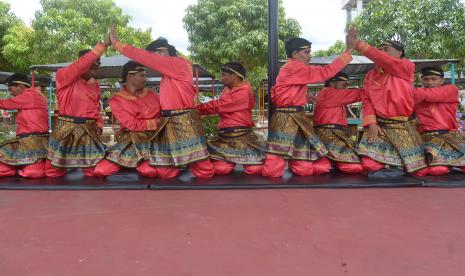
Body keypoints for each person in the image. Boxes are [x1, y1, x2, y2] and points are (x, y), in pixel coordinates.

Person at [109, 26, 213, 178]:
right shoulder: (168, 74)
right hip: (167, 123)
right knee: (166, 173)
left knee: (204, 171)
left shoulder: (178, 63)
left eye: (155, 54)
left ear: (164, 51)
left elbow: (146, 58)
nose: (154, 60)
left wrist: (117, 44)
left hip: (183, 120)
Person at [262, 28, 357, 177]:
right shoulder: (294, 66)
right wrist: (348, 51)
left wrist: (304, 97)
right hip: (286, 118)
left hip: (298, 117)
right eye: (306, 52)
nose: (309, 56)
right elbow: (324, 73)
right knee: (273, 170)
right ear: (294, 54)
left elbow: (281, 94)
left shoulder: (290, 69)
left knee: (308, 169)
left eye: (309, 52)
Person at [354, 30, 427, 176]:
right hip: (380, 126)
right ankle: (389, 167)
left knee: (419, 171)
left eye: (385, 49)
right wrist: (371, 123)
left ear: (399, 53)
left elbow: (386, 61)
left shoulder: (405, 66)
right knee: (369, 164)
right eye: (379, 49)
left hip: (402, 126)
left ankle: (393, 167)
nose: (380, 51)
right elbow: (367, 99)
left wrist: (359, 44)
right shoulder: (370, 75)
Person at [45, 36, 110, 177]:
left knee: (93, 173)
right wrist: (103, 46)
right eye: (92, 67)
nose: (95, 71)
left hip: (88, 130)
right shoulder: (63, 75)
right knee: (52, 173)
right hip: (65, 131)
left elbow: (95, 108)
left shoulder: (95, 84)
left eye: (97, 68)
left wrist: (99, 125)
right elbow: (81, 65)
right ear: (82, 63)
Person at [93, 61, 161, 177]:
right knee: (100, 170)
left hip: (154, 140)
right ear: (130, 76)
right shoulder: (116, 100)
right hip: (129, 141)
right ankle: (130, 163)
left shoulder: (154, 96)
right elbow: (132, 125)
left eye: (146, 75)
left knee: (150, 171)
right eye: (142, 75)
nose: (146, 79)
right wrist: (158, 121)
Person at [196, 62, 264, 175]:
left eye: (223, 75)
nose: (221, 78)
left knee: (254, 170)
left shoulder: (244, 92)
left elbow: (220, 105)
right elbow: (221, 108)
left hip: (243, 137)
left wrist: (196, 109)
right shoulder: (226, 90)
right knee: (221, 169)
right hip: (224, 137)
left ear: (234, 76)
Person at [413, 66, 463, 176]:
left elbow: (431, 95)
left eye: (433, 79)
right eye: (426, 79)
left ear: (442, 80)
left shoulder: (451, 89)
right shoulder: (417, 96)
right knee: (438, 170)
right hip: (425, 140)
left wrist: (406, 91)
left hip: (449, 137)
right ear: (422, 80)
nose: (429, 82)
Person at [313, 72, 364, 174]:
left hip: (334, 135)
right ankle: (331, 162)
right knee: (354, 167)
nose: (346, 88)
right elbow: (359, 94)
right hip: (328, 135)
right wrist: (377, 86)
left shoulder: (331, 94)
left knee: (354, 165)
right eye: (344, 85)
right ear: (332, 83)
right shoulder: (329, 93)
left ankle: (332, 162)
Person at [0, 73, 49, 178]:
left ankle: (23, 168)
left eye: (11, 89)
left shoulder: (30, 95)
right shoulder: (33, 95)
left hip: (35, 142)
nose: (10, 93)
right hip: (24, 141)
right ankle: (19, 167)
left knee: (33, 173)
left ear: (21, 87)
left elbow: (4, 104)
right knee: (2, 169)